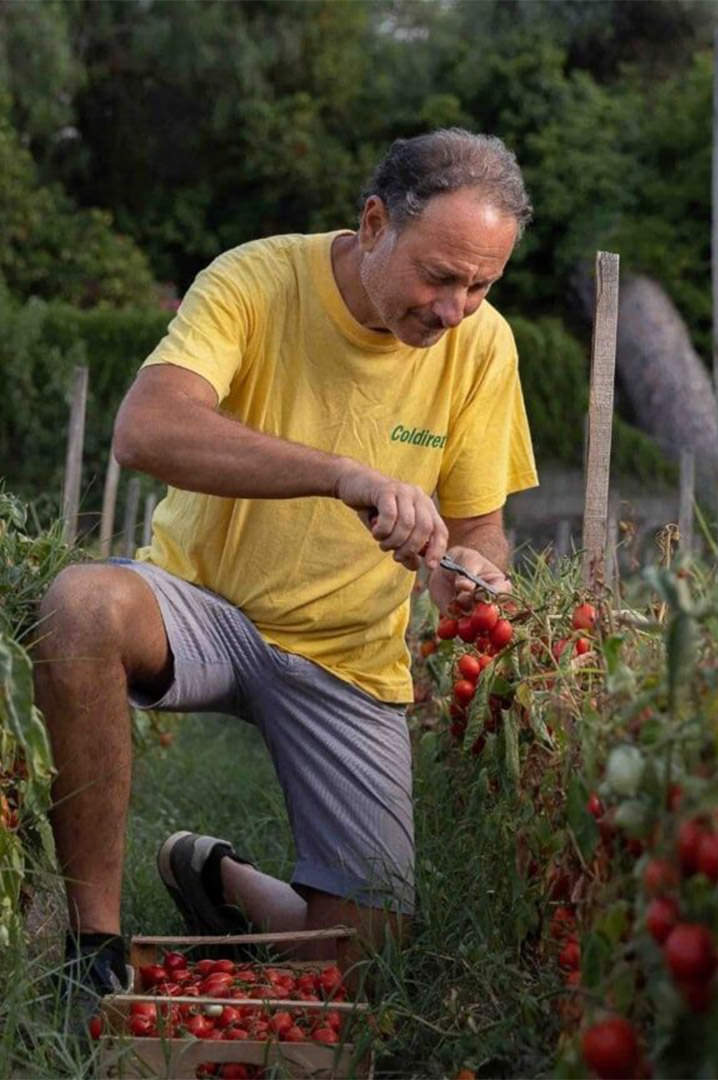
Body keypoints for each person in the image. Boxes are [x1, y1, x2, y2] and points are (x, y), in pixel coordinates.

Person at [33, 127, 538, 1009]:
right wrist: (338, 473)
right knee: (81, 606)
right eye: (439, 275)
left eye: (480, 284)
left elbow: (481, 526)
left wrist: (467, 576)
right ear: (374, 222)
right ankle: (93, 952)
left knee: (363, 971)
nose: (456, 308)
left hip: (350, 654)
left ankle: (214, 878)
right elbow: (144, 430)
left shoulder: (485, 347)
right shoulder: (257, 280)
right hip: (201, 608)